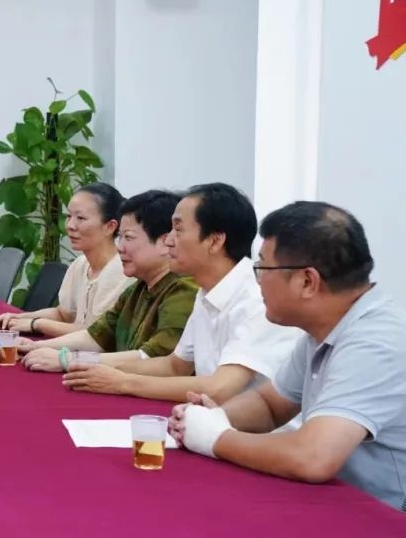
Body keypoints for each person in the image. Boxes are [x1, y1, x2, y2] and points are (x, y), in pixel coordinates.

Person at [169, 202, 406, 511]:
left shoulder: (375, 341)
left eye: (262, 268)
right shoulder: (325, 328)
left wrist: (215, 438)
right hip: (332, 500)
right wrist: (214, 418)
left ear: (307, 281)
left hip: (382, 515)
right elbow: (269, 405)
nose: (257, 281)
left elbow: (313, 457)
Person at [61, 183, 303, 402]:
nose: (168, 241)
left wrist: (122, 383)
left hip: (255, 432)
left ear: (214, 241)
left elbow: (220, 388)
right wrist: (92, 367)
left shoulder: (257, 299)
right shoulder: (207, 291)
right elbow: (175, 366)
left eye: (178, 230)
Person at [19, 190, 199, 371]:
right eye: (120, 237)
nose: (119, 247)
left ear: (164, 242)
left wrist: (67, 359)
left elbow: (152, 357)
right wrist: (36, 346)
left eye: (128, 238)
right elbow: (97, 336)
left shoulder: (183, 290)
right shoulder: (140, 286)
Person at [0, 183, 134, 336]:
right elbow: (63, 315)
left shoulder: (122, 272)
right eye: (69, 216)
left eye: (80, 218)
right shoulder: (80, 264)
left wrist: (36, 324)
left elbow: (95, 334)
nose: (70, 225)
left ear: (110, 226)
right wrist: (18, 318)